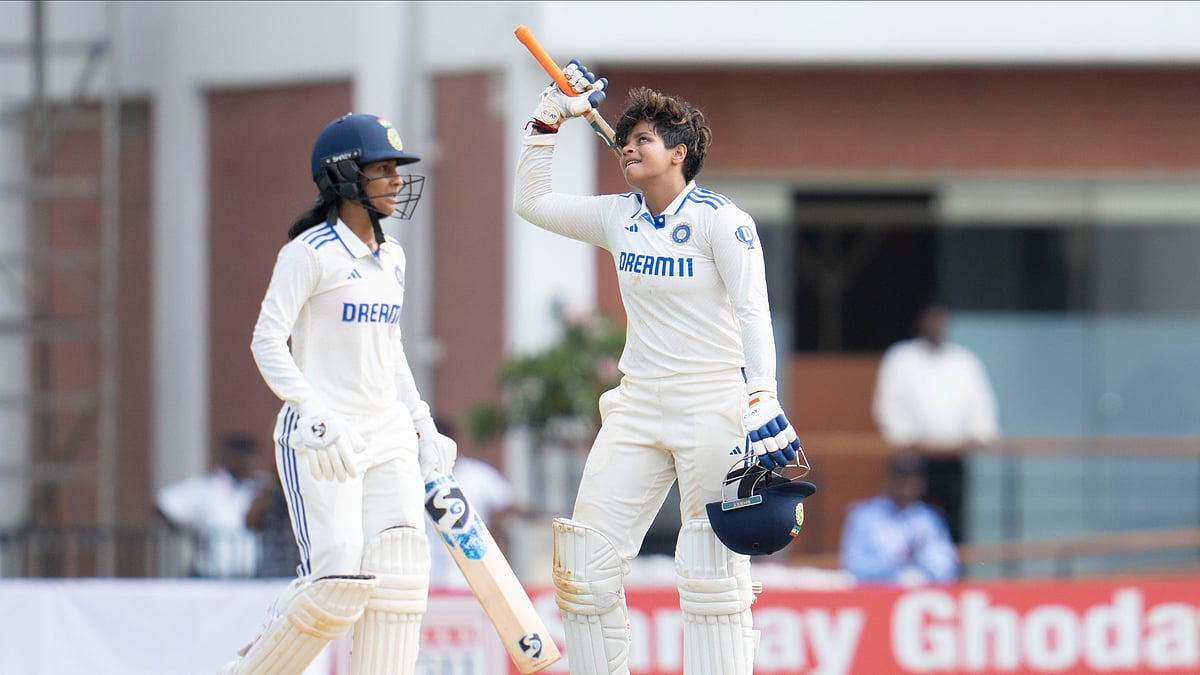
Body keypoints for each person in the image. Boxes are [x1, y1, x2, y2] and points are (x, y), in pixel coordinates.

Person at [514, 64, 804, 675]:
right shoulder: (618, 216)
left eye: (644, 138)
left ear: (681, 151)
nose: (628, 147)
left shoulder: (722, 221)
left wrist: (762, 395)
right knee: (586, 567)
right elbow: (532, 202)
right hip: (638, 402)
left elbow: (755, 311)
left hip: (714, 404)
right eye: (625, 138)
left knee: (710, 572)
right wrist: (546, 122)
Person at [218, 112, 457, 675]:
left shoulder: (393, 255)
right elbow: (267, 341)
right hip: (326, 438)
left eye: (399, 169)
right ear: (344, 176)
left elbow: (390, 348)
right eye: (383, 168)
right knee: (338, 581)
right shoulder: (309, 253)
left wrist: (421, 428)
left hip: (387, 431)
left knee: (400, 566)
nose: (398, 180)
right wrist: (313, 413)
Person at [871, 302, 998, 543]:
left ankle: (954, 572)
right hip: (914, 457)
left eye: (941, 321)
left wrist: (982, 433)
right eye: (932, 320)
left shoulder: (964, 361)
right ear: (921, 324)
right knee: (912, 514)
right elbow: (888, 403)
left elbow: (980, 402)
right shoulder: (902, 358)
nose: (937, 326)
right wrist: (904, 438)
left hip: (953, 456)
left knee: (955, 518)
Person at [424, 417, 518, 591]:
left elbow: (507, 509)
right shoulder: (414, 478)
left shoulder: (479, 475)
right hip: (426, 580)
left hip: (471, 581)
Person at [839, 449, 959, 586]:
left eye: (913, 478)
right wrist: (896, 561)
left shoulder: (930, 519)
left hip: (920, 597)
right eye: (901, 477)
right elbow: (854, 566)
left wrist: (918, 557)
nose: (906, 485)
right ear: (888, 479)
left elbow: (947, 568)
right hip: (876, 594)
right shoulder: (863, 516)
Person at [155, 433, 262, 578]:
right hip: (210, 575)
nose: (251, 463)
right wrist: (188, 534)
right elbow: (163, 505)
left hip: (248, 577)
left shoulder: (256, 488)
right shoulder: (206, 487)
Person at [244, 469, 299, 577]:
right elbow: (249, 522)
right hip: (271, 567)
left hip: (296, 568)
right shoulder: (268, 492)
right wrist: (267, 489)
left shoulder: (299, 492)